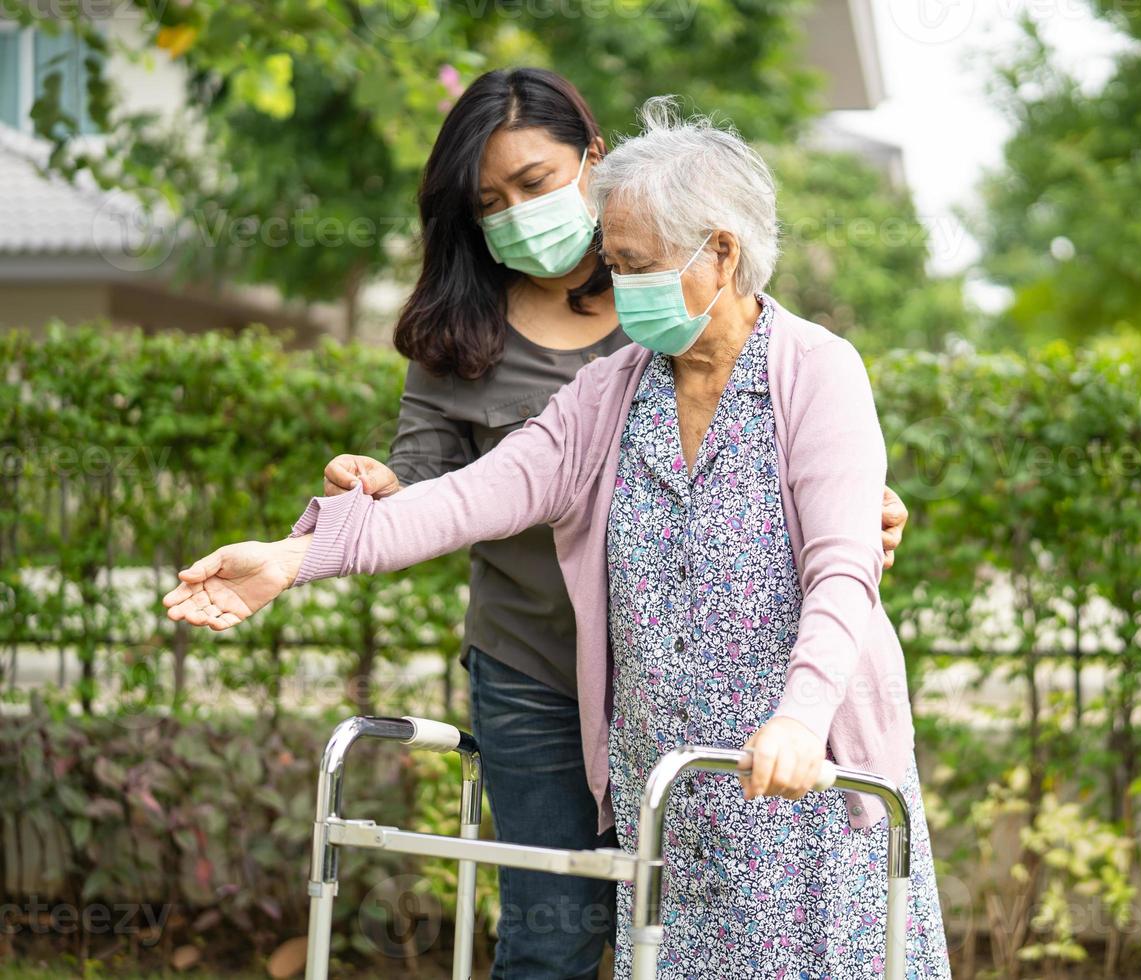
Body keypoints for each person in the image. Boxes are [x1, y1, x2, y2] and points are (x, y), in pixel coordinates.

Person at [163, 100, 948, 978]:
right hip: (676, 792)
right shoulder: (609, 393)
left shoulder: (818, 371)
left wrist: (801, 722)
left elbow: (843, 574)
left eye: (639, 266)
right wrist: (291, 559)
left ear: (721, 252)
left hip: (798, 774)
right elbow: (466, 498)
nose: (619, 287)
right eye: (613, 264)